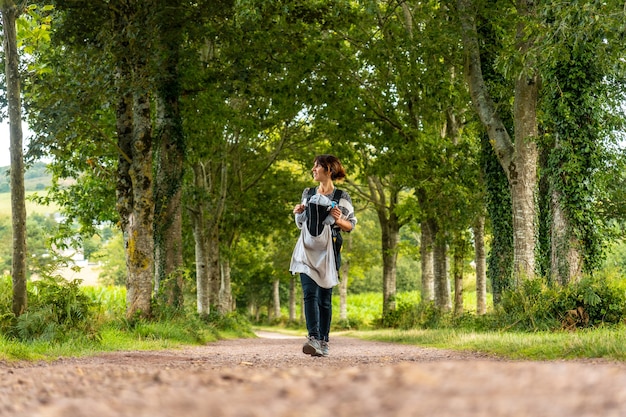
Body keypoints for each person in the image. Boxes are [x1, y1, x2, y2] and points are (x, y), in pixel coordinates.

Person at [289, 154, 357, 357]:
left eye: (316, 166)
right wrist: (298, 212)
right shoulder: (307, 193)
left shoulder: (341, 197)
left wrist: (338, 219)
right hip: (307, 251)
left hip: (329, 251)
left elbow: (350, 225)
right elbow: (302, 223)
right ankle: (313, 338)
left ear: (328, 169)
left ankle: (323, 342)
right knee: (309, 294)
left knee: (324, 299)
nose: (313, 170)